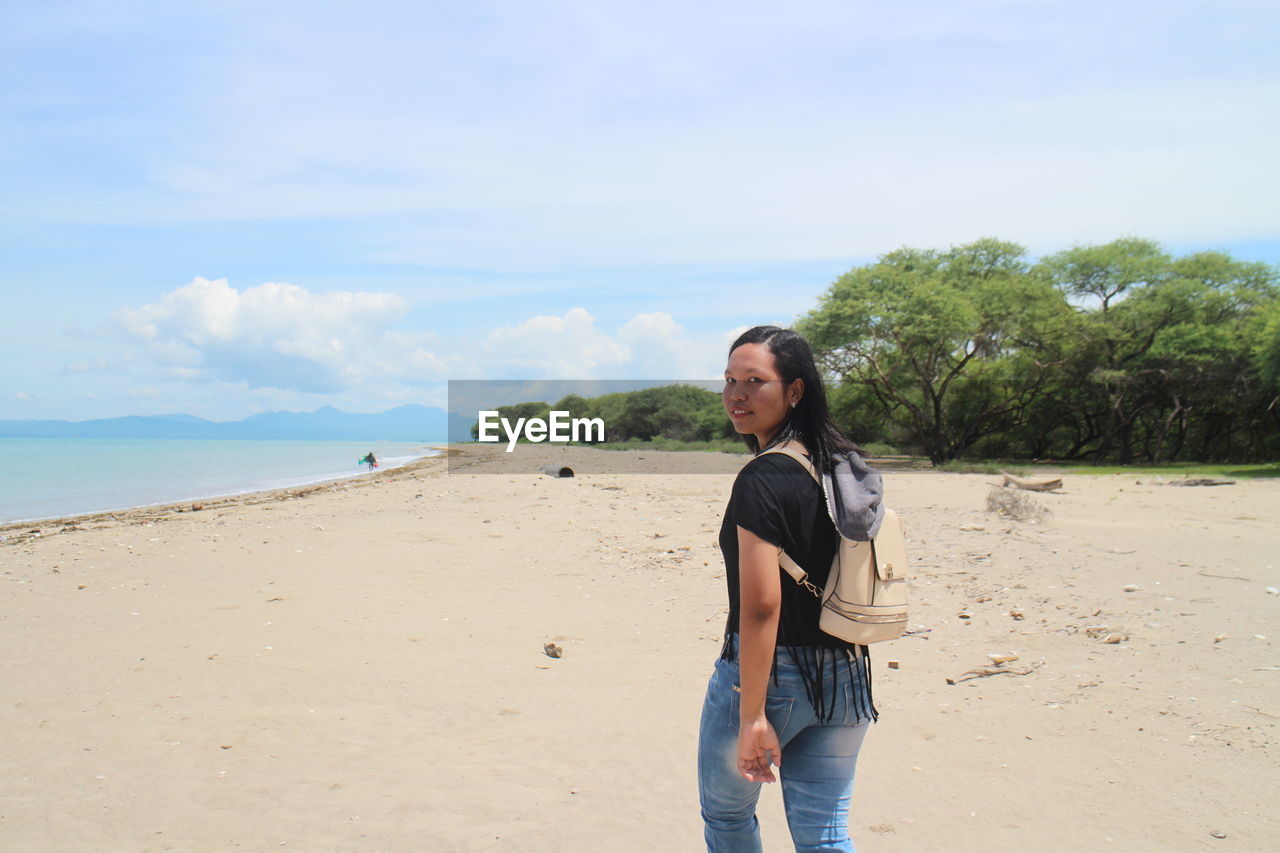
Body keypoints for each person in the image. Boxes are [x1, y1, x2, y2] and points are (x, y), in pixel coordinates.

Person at [699, 325, 882, 852]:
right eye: (730, 380)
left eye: (755, 381)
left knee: (728, 818)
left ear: (794, 391)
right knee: (824, 838)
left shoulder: (762, 478)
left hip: (769, 678)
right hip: (846, 674)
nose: (737, 395)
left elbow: (759, 606)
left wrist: (753, 714)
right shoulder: (839, 467)